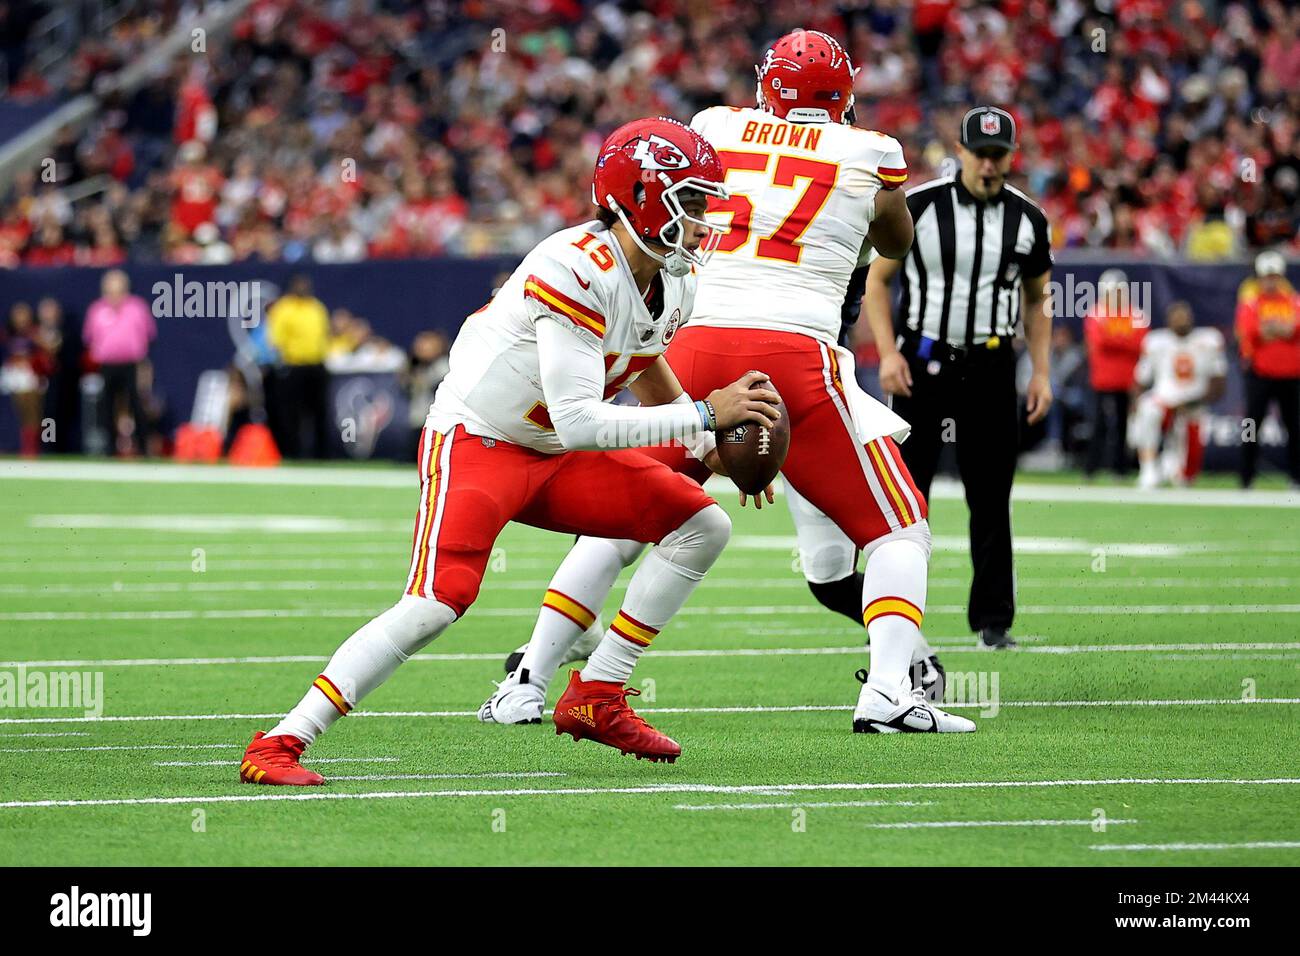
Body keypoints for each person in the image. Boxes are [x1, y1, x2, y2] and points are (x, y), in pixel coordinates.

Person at [239, 117, 779, 785]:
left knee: (703, 524)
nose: (701, 222)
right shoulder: (575, 267)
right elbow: (582, 421)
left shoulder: (671, 277)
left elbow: (642, 361)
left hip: (552, 448)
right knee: (436, 603)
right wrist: (702, 413)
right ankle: (282, 742)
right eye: (689, 203)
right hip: (481, 439)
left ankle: (597, 694)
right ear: (637, 198)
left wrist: (708, 443)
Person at [484, 30, 972, 736]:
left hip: (693, 344)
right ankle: (890, 690)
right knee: (898, 528)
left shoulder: (713, 124)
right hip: (795, 354)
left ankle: (527, 680)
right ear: (845, 93)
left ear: (767, 84)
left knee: (623, 519)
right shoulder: (873, 151)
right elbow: (897, 241)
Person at [864, 106, 1054, 651]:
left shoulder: (1028, 219)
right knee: (906, 495)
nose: (989, 167)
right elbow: (879, 282)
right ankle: (893, 619)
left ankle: (994, 622)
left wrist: (1040, 370)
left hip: (992, 366)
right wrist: (888, 353)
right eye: (981, 155)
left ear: (1011, 157)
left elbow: (1038, 301)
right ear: (961, 151)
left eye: (999, 156)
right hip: (922, 364)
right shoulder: (920, 205)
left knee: (991, 495)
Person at [1132, 301, 1227, 489]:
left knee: (1185, 478)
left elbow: (1218, 384)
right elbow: (1140, 381)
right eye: (1176, 317)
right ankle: (1149, 468)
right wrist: (1133, 410)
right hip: (1164, 401)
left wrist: (1193, 402)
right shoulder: (1156, 342)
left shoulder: (1209, 340)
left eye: (1184, 316)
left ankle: (1172, 463)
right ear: (1168, 321)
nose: (1180, 321)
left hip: (1194, 405)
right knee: (1148, 409)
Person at [1236, 250, 1300, 488]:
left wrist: (1273, 328)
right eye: (1267, 276)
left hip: (1291, 375)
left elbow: (1295, 328)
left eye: (1275, 276)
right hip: (1260, 374)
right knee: (1250, 425)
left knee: (1294, 427)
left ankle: (1296, 476)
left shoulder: (1293, 300)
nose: (1271, 281)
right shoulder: (1251, 303)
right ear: (1260, 278)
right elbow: (1252, 331)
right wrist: (1283, 329)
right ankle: (1246, 477)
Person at [82, 269, 156, 456]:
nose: (115, 294)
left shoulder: (137, 307)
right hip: (107, 365)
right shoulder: (96, 309)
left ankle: (143, 448)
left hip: (132, 364)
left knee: (137, 404)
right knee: (106, 405)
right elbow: (89, 337)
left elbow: (150, 335)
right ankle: (109, 448)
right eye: (110, 290)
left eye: (118, 290)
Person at [1083, 269, 1148, 477]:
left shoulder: (1136, 314)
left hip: (1127, 379)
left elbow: (1140, 343)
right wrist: (1123, 340)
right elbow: (1099, 341)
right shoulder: (1097, 312)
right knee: (1099, 424)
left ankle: (1120, 468)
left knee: (1122, 425)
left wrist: (1115, 340)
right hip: (1103, 378)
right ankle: (1091, 467)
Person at [266, 274, 330, 459]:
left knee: (319, 412)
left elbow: (324, 335)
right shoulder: (284, 308)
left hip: (316, 365)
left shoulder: (316, 307)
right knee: (291, 413)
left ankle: (321, 454)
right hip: (294, 367)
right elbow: (276, 339)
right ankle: (292, 452)